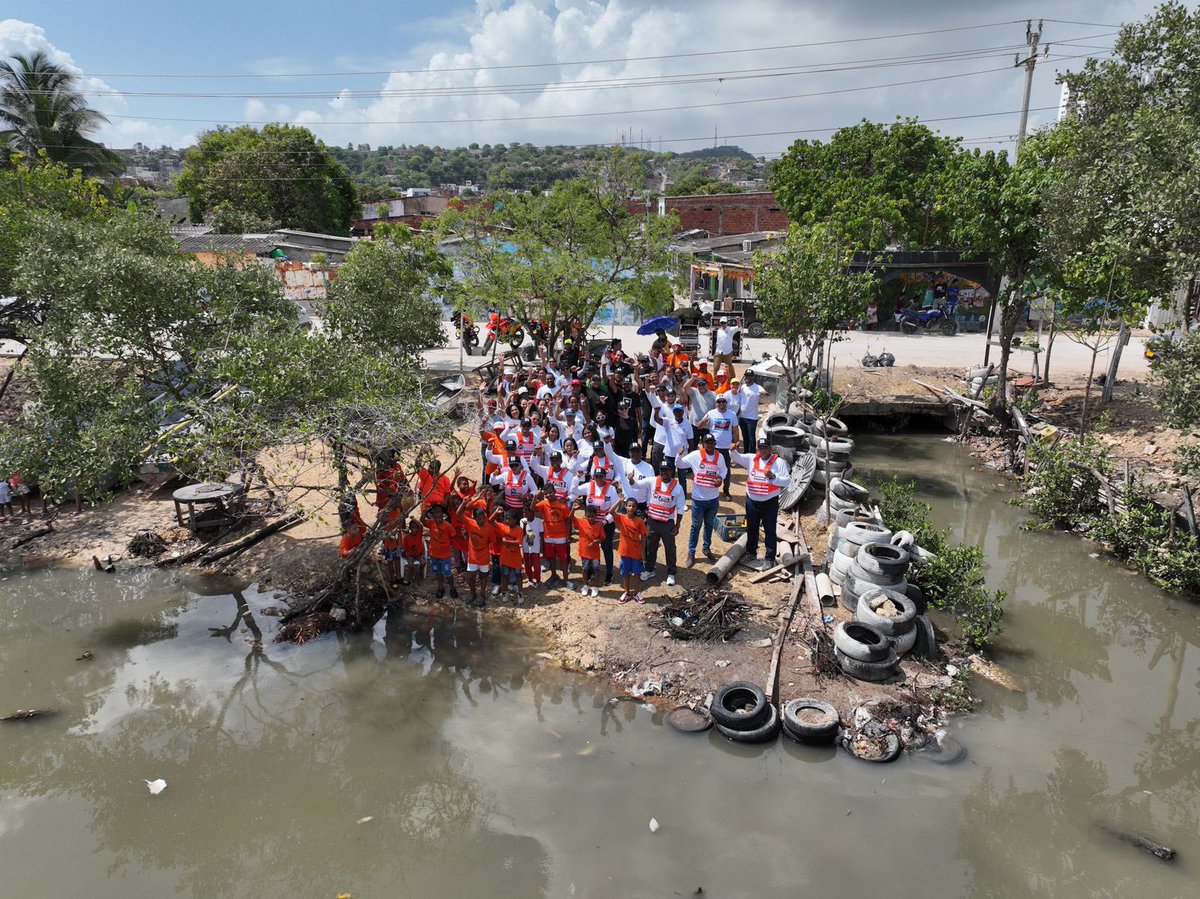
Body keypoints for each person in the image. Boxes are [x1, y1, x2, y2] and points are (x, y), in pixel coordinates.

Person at [729, 436, 791, 564]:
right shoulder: (751, 458)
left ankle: (770, 557)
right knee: (752, 528)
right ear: (757, 449)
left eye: (765, 448)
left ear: (770, 449)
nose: (763, 451)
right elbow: (737, 458)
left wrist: (773, 476)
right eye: (760, 448)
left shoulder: (779, 463)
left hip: (769, 502)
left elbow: (787, 481)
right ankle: (751, 553)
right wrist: (732, 451)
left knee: (769, 530)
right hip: (752, 501)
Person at [674, 433, 728, 567]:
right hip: (698, 500)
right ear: (703, 444)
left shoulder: (719, 457)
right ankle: (691, 553)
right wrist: (678, 455)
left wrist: (720, 478)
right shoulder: (695, 455)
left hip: (713, 499)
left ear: (715, 444)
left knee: (709, 525)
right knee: (695, 526)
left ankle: (706, 548)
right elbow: (680, 465)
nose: (710, 445)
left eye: (712, 442)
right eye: (707, 442)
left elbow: (724, 470)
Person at [633, 461, 685, 586]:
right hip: (652, 521)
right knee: (651, 546)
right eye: (662, 470)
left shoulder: (677, 488)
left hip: (667, 523)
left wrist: (677, 525)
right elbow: (636, 485)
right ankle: (650, 569)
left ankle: (671, 572)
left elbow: (680, 508)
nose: (664, 473)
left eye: (666, 470)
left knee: (670, 548)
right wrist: (630, 480)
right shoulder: (652, 481)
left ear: (671, 471)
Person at [571, 467, 620, 586]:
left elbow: (615, 507)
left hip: (605, 524)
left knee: (606, 548)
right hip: (590, 525)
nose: (599, 479)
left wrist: (606, 521)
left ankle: (609, 574)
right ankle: (592, 570)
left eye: (601, 476)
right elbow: (574, 490)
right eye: (596, 476)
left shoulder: (611, 489)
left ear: (605, 477)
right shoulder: (589, 486)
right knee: (590, 547)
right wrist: (577, 477)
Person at [696, 393, 738, 499]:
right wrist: (703, 422)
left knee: (726, 469)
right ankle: (710, 487)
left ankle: (726, 490)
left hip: (726, 447)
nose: (721, 404)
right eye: (719, 402)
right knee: (710, 468)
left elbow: (735, 431)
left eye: (723, 401)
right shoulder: (711, 413)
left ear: (726, 403)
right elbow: (699, 427)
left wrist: (735, 443)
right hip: (713, 447)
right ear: (716, 403)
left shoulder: (732, 414)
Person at [534, 486, 573, 588]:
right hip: (548, 536)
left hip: (561, 536)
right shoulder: (543, 503)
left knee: (563, 559)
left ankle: (565, 579)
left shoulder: (562, 503)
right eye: (546, 493)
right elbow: (532, 509)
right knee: (551, 558)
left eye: (550, 492)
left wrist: (568, 535)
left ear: (555, 492)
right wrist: (535, 496)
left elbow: (568, 520)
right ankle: (554, 575)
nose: (548, 495)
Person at [612, 498, 648, 603]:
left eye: (633, 506)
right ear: (625, 507)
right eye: (629, 505)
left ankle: (637, 592)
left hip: (636, 552)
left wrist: (643, 553)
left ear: (636, 508)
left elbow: (644, 537)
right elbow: (610, 511)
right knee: (625, 573)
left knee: (637, 574)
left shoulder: (639, 521)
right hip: (625, 552)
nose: (631, 508)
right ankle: (627, 592)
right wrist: (619, 501)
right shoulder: (621, 518)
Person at [490, 507, 527, 604]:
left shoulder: (519, 530)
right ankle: (505, 592)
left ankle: (520, 593)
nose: (507, 520)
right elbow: (490, 521)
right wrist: (496, 512)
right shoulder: (503, 526)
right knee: (505, 575)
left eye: (509, 519)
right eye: (506, 518)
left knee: (518, 575)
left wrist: (506, 541)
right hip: (505, 557)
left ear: (515, 520)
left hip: (515, 557)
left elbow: (519, 542)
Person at [572, 501, 608, 597]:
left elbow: (603, 538)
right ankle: (586, 585)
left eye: (592, 516)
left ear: (596, 516)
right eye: (588, 516)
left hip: (595, 553)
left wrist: (597, 541)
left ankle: (596, 586)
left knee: (596, 568)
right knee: (585, 569)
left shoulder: (599, 525)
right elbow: (570, 518)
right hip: (584, 552)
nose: (590, 518)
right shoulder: (581, 522)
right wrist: (573, 509)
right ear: (585, 516)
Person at [422, 504, 458, 599]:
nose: (438, 519)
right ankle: (440, 588)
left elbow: (453, 538)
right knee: (438, 572)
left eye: (440, 517)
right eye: (436, 517)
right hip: (434, 554)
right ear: (433, 517)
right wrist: (424, 511)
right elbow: (422, 521)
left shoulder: (448, 526)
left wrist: (452, 548)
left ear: (443, 516)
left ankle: (452, 588)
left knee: (448, 573)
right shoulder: (431, 523)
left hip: (445, 555)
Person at [462, 505, 494, 606]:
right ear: (474, 518)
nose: (482, 520)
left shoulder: (488, 527)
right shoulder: (470, 523)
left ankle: (482, 595)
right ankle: (472, 593)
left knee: (483, 576)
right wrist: (463, 503)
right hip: (472, 556)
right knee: (471, 576)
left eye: (484, 518)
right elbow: (458, 513)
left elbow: (491, 541)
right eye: (479, 518)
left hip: (484, 556)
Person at [736, 370, 764, 450]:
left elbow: (765, 393)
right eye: (746, 375)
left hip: (752, 418)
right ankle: (746, 453)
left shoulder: (757, 387)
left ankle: (752, 453)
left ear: (753, 377)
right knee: (745, 437)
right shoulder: (742, 387)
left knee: (751, 437)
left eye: (750, 376)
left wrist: (763, 393)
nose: (748, 377)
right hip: (742, 417)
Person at [521, 499, 543, 586]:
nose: (525, 514)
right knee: (527, 564)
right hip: (526, 547)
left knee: (536, 565)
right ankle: (530, 578)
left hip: (535, 548)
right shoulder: (522, 521)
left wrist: (542, 548)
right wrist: (525, 526)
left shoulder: (538, 521)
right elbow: (521, 535)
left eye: (526, 512)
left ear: (532, 513)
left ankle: (538, 580)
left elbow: (541, 534)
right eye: (523, 512)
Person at [401, 518, 427, 585]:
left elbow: (421, 526)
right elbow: (405, 549)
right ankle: (412, 575)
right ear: (410, 528)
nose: (415, 529)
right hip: (410, 555)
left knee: (423, 563)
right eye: (413, 528)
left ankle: (420, 572)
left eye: (416, 528)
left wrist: (414, 519)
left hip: (419, 554)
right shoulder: (406, 538)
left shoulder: (419, 534)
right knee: (410, 565)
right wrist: (410, 552)